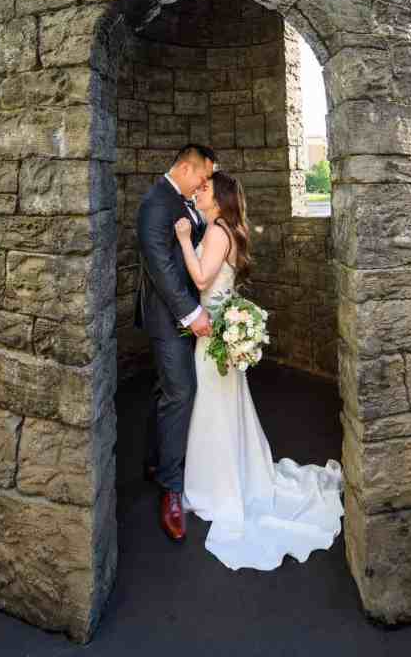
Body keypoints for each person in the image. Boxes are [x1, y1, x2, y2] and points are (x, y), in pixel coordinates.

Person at [174, 170, 345, 571]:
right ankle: (231, 475)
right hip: (218, 331)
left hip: (211, 333)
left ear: (219, 198)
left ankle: (215, 487)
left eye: (205, 189)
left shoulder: (216, 232)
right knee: (223, 407)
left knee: (213, 410)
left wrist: (184, 240)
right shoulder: (228, 228)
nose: (199, 192)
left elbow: (201, 278)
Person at [134, 143, 216, 543]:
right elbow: (161, 267)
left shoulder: (181, 201)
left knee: (166, 389)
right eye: (203, 177)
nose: (205, 184)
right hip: (169, 318)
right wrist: (193, 314)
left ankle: (153, 460)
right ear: (185, 167)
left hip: (183, 311)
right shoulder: (155, 203)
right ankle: (171, 489)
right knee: (181, 392)